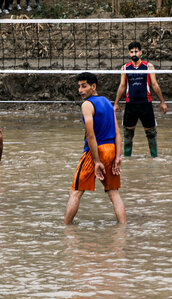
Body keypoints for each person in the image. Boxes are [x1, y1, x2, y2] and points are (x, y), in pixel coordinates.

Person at [64, 72, 126, 225]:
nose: (80, 90)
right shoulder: (107, 102)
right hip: (111, 150)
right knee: (113, 193)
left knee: (75, 192)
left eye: (84, 86)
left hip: (95, 152)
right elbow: (118, 133)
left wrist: (97, 160)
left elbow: (90, 135)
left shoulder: (87, 105)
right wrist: (118, 156)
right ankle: (123, 229)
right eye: (79, 86)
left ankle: (66, 230)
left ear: (93, 86)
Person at [113, 41, 167, 158]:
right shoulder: (125, 68)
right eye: (132, 51)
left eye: (136, 51)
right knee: (128, 134)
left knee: (151, 133)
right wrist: (116, 103)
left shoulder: (148, 66)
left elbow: (154, 85)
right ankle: (127, 159)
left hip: (145, 104)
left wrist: (162, 102)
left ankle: (155, 158)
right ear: (129, 53)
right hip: (130, 104)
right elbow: (122, 86)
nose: (134, 53)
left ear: (141, 52)